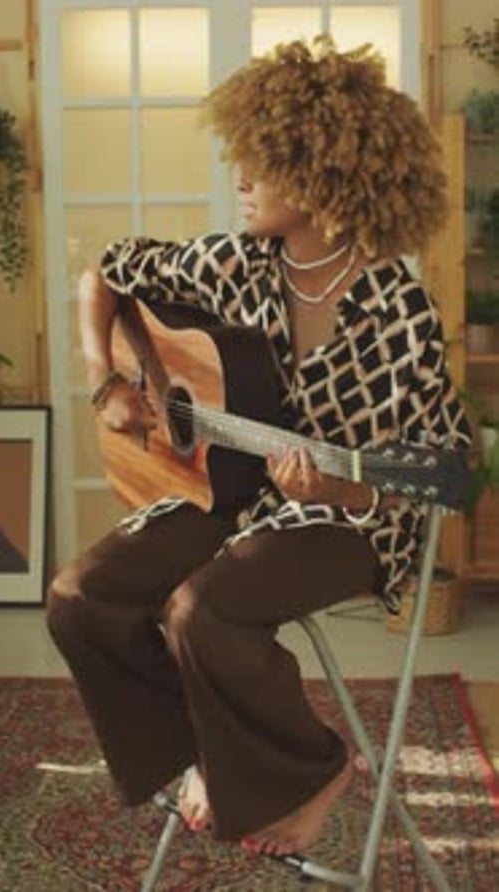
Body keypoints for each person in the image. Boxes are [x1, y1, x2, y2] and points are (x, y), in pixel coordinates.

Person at [46, 36, 471, 857]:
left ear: (324, 174)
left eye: (262, 164)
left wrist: (339, 493)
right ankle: (206, 754)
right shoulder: (232, 265)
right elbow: (101, 278)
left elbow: (439, 472)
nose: (240, 179)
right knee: (78, 596)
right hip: (233, 492)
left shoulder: (397, 308)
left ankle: (316, 766)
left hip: (350, 524)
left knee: (201, 610)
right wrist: (110, 383)